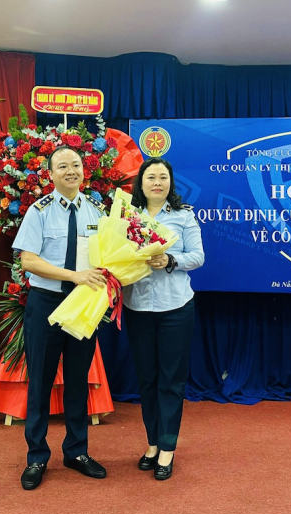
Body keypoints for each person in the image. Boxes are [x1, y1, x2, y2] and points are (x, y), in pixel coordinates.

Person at [12, 145, 108, 490]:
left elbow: (107, 257)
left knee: (78, 380)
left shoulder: (97, 211)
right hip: (47, 305)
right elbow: (28, 261)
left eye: (76, 165)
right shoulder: (39, 211)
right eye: (63, 166)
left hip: (83, 304)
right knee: (40, 381)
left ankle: (76, 452)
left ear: (84, 171)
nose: (71, 171)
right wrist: (73, 276)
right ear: (50, 174)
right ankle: (36, 456)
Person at [123, 156, 205, 481]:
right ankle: (153, 444)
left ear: (170, 183)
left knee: (171, 381)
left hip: (176, 309)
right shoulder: (127, 216)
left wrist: (170, 259)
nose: (157, 182)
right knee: (147, 380)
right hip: (138, 308)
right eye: (151, 177)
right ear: (140, 183)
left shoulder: (184, 216)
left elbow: (198, 257)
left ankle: (168, 448)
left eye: (163, 177)